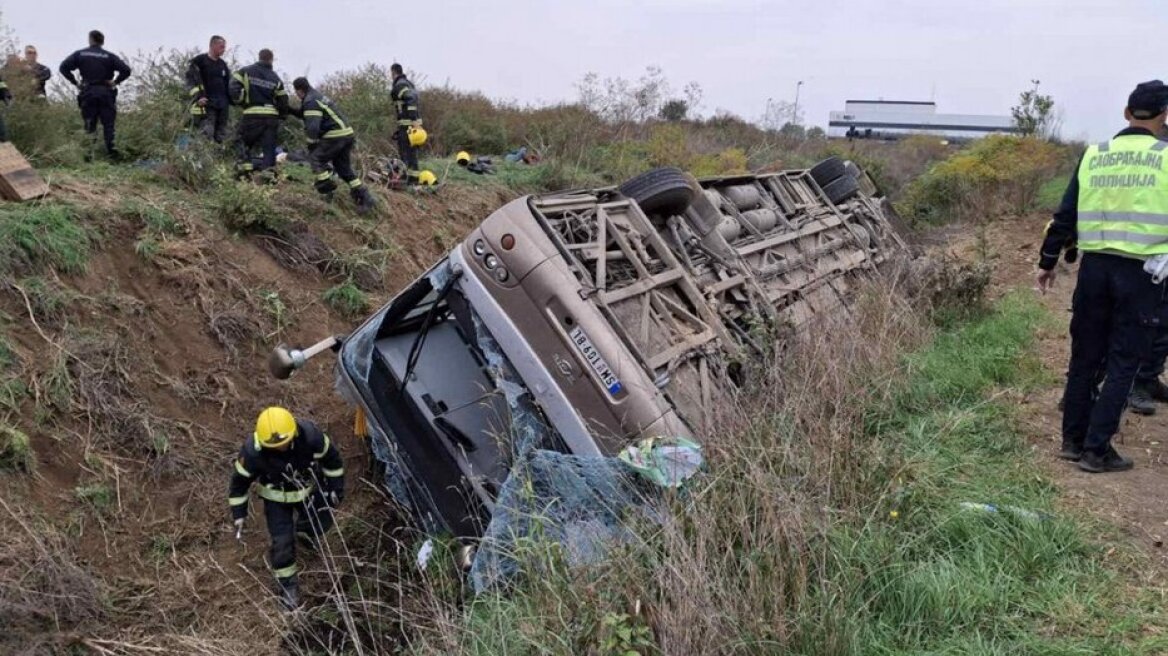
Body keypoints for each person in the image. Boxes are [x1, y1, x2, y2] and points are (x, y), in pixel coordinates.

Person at [1037, 80, 1168, 473]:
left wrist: (1047, 261)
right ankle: (1097, 450)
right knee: (1124, 361)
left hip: (1094, 270)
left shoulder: (1095, 154)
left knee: (1085, 357)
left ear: (1127, 114)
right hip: (1143, 273)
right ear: (1164, 116)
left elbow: (1066, 213)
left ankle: (1072, 441)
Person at [228, 407, 345, 609]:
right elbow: (239, 483)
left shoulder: (310, 437)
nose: (280, 449)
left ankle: (305, 533)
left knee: (321, 518)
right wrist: (239, 513)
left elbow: (332, 460)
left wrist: (335, 488)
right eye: (275, 446)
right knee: (282, 543)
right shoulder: (252, 452)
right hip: (276, 500)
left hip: (307, 490)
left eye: (284, 443)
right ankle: (288, 586)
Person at [292, 77, 375, 211]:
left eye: (296, 92)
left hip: (335, 135)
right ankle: (365, 196)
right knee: (343, 169)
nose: (297, 95)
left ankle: (327, 191)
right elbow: (304, 114)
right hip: (346, 134)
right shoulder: (316, 96)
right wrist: (288, 110)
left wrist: (312, 144)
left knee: (316, 158)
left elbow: (313, 127)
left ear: (299, 90)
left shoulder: (310, 101)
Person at [59, 30, 132, 159]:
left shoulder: (80, 54)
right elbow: (126, 70)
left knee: (89, 125)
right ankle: (113, 156)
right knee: (108, 126)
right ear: (102, 41)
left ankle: (88, 156)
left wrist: (75, 82)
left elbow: (63, 67)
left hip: (88, 92)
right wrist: (115, 82)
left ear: (90, 39)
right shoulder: (109, 56)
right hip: (106, 92)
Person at [229, 48, 289, 176]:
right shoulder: (275, 78)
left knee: (242, 141)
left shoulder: (245, 71)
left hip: (252, 115)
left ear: (259, 57)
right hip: (271, 117)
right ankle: (268, 176)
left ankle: (244, 172)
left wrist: (240, 101)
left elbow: (233, 87)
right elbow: (283, 100)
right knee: (268, 148)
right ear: (271, 60)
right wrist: (282, 115)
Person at [185, 35, 231, 143]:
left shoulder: (223, 65)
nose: (224, 49)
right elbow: (190, 81)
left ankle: (219, 158)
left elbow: (227, 84)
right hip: (207, 105)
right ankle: (205, 158)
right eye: (221, 47)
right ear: (212, 45)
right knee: (206, 135)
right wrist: (197, 98)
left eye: (224, 47)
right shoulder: (199, 61)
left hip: (222, 106)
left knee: (221, 137)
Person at [390, 63, 420, 178]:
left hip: (407, 126)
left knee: (406, 153)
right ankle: (413, 178)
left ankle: (408, 179)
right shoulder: (409, 84)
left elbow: (410, 100)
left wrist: (413, 121)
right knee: (412, 154)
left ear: (393, 72)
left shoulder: (400, 85)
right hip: (411, 126)